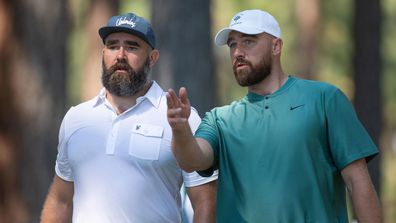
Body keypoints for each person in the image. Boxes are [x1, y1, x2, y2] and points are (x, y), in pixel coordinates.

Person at [166, 9, 382, 222]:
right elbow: (192, 159)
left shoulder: (325, 99)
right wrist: (180, 129)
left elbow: (357, 181)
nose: (237, 52)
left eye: (248, 41)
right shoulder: (220, 120)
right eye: (232, 44)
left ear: (276, 46)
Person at [40, 12, 217, 223]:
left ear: (152, 58)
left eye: (132, 47)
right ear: (103, 52)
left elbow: (205, 202)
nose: (120, 55)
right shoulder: (76, 118)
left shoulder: (180, 118)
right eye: (113, 46)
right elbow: (61, 200)